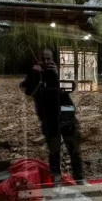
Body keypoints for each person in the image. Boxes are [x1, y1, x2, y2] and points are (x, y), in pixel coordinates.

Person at [20, 48, 85, 184]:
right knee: (54, 149)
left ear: (54, 59)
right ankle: (56, 177)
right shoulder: (34, 74)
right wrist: (34, 75)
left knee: (73, 147)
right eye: (43, 59)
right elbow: (27, 92)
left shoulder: (61, 71)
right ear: (38, 60)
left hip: (66, 114)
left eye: (49, 58)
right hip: (49, 116)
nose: (46, 61)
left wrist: (57, 74)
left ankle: (80, 178)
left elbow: (71, 88)